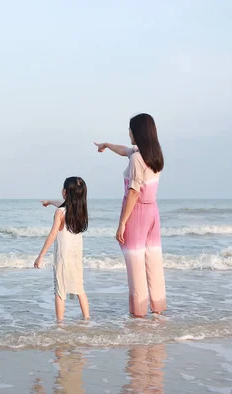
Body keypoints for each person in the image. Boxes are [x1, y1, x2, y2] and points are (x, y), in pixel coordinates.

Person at [94, 113, 167, 317]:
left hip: (138, 213)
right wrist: (107, 144)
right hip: (153, 212)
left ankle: (139, 313)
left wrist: (122, 223)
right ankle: (158, 309)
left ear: (137, 132)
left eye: (130, 129)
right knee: (153, 261)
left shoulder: (137, 158)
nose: (128, 133)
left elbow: (133, 192)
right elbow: (123, 150)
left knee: (135, 266)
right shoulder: (153, 154)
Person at [34, 177, 90, 321]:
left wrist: (40, 256)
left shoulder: (60, 212)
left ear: (65, 192)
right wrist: (50, 202)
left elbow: (53, 234)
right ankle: (87, 319)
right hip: (76, 255)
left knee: (60, 290)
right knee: (80, 288)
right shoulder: (80, 211)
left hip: (63, 256)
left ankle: (60, 323)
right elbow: (62, 204)